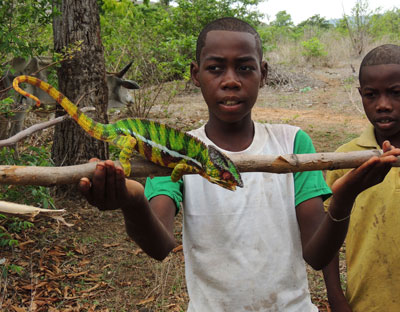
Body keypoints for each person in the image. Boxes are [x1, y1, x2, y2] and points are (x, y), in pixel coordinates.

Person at [78, 19, 400, 311]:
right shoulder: (174, 155)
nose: (230, 81)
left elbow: (316, 256)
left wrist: (343, 198)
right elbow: (161, 245)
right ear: (195, 74)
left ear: (264, 73)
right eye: (216, 68)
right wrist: (131, 201)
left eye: (244, 68)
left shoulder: (292, 143)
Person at [323, 44, 400, 312]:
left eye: (396, 93)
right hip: (367, 304)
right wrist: (336, 297)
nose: (383, 105)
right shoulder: (345, 159)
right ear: (360, 95)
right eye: (371, 95)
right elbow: (327, 236)